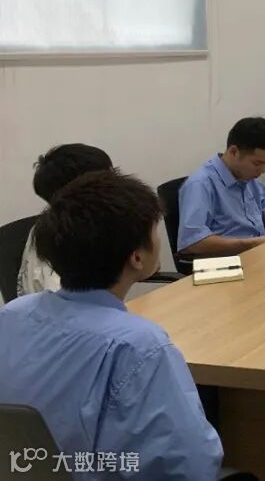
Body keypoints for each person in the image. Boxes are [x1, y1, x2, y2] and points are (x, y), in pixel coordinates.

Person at [0, 171, 224, 479]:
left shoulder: (13, 314)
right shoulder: (138, 345)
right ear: (137, 258)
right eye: (155, 232)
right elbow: (189, 465)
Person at [17, 143, 114, 297]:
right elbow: (68, 302)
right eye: (109, 179)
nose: (118, 186)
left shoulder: (84, 225)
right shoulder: (60, 240)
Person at [178, 117, 265, 257]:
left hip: (259, 253)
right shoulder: (201, 184)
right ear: (234, 152)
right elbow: (192, 242)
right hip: (230, 261)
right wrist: (251, 243)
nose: (263, 171)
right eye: (257, 163)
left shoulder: (248, 176)